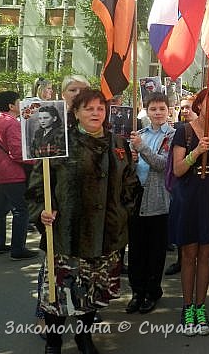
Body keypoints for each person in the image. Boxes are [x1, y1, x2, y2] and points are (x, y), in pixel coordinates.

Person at [27, 88, 139, 353]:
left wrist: (122, 213)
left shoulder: (118, 144)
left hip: (106, 236)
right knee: (59, 296)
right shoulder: (59, 142)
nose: (95, 113)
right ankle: (54, 341)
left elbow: (131, 185)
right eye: (88, 108)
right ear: (75, 112)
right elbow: (37, 186)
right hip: (67, 235)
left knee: (93, 293)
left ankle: (83, 336)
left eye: (100, 108)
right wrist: (42, 210)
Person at [168, 88, 209, 336]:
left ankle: (200, 306)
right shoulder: (183, 132)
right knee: (189, 254)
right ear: (199, 104)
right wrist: (196, 152)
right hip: (188, 197)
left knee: (207, 253)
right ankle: (187, 307)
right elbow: (177, 170)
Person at [126, 92, 175, 315]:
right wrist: (131, 157)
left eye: (161, 109)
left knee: (155, 250)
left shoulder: (173, 136)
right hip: (136, 198)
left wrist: (142, 149)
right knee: (136, 249)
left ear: (168, 110)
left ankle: (152, 291)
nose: (157, 113)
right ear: (146, 110)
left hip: (158, 200)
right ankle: (136, 291)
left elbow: (162, 165)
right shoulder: (139, 134)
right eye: (153, 109)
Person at [0, 91, 38, 260]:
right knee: (21, 210)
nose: (21, 103)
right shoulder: (11, 123)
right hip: (12, 174)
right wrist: (36, 160)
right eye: (18, 101)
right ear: (11, 106)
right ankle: (18, 249)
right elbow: (17, 152)